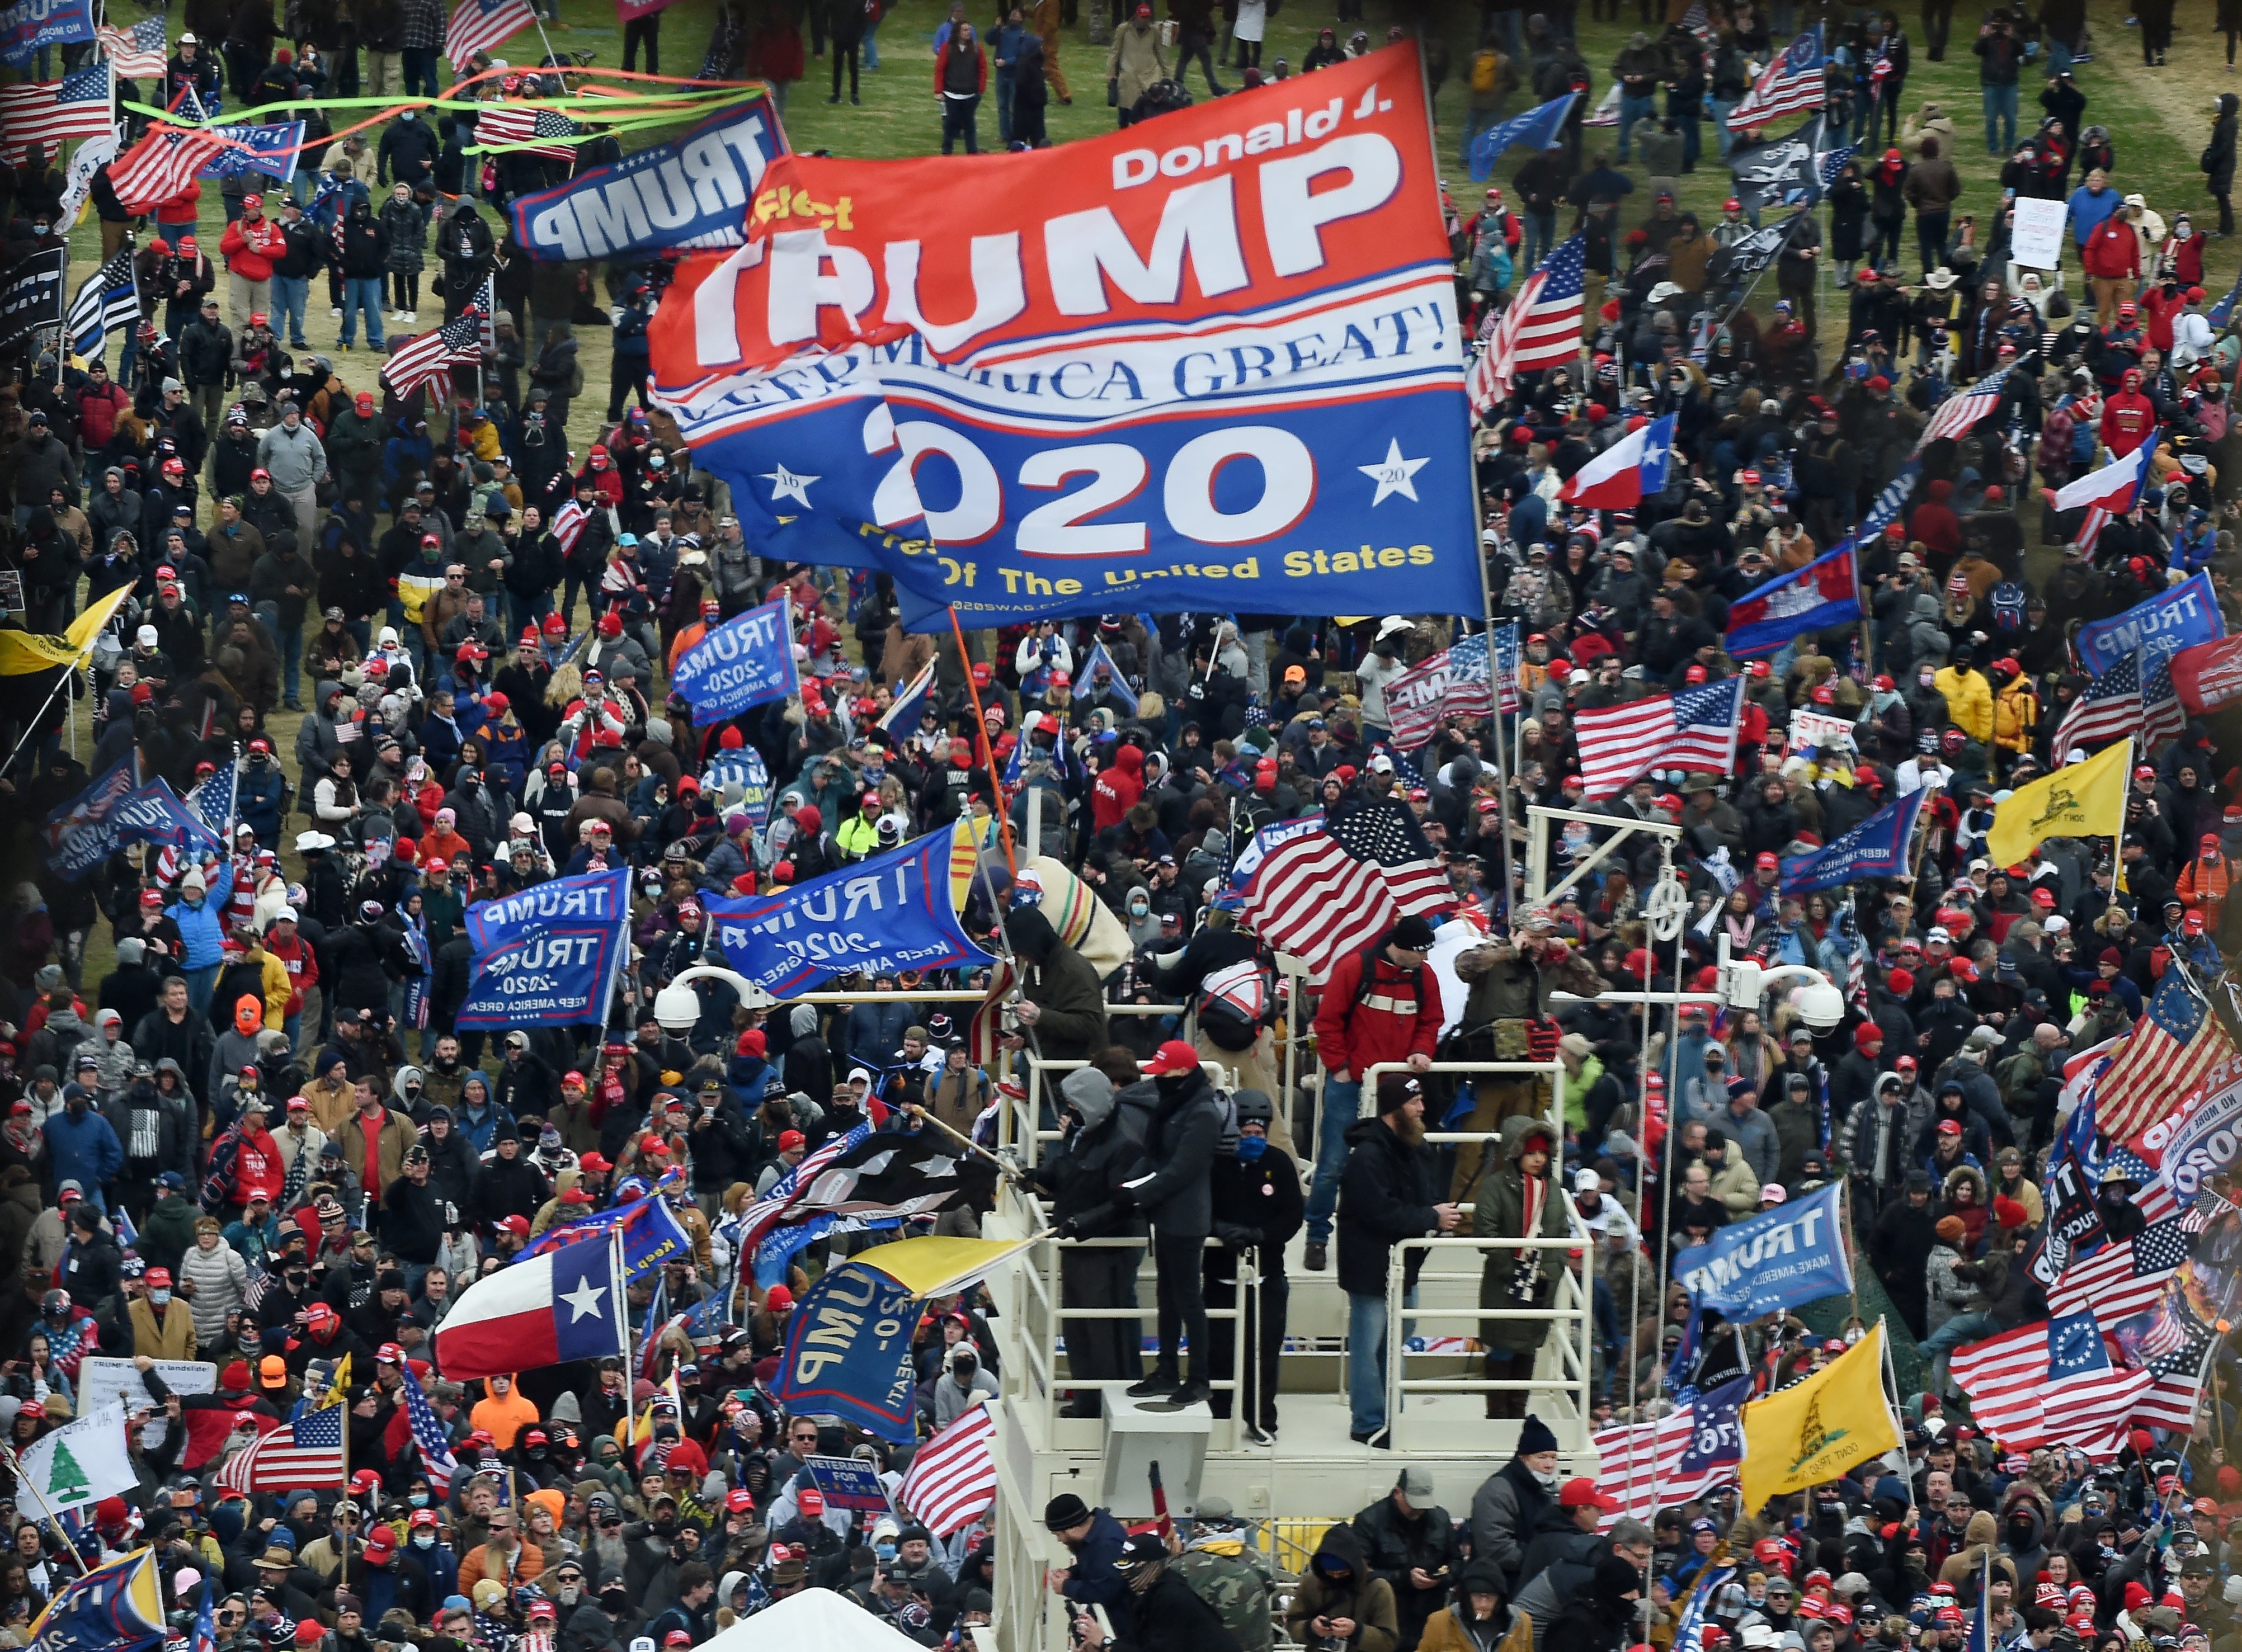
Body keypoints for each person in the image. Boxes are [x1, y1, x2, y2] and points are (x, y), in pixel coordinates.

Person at [1305, 915, 1443, 1272]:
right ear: (1403, 947)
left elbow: (1431, 1021)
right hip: (1352, 1085)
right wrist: (1339, 1066)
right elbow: (1327, 1024)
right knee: (1333, 1164)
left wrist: (1423, 1050)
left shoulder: (1423, 977)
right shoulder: (1355, 969)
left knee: (1405, 1162)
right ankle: (1317, 1237)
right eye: (1421, 953)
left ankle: (1399, 1232)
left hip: (1397, 1089)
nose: (1425, 960)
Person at [1336, 1072, 1459, 1447]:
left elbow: (1419, 1199)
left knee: (1398, 1339)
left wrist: (1434, 1214)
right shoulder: (1368, 1157)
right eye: (1415, 1102)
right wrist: (1431, 1218)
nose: (1423, 1108)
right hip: (1371, 1268)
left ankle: (1393, 1416)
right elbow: (1381, 1212)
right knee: (1369, 1346)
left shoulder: (1414, 1148)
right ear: (1394, 1110)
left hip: (1403, 1266)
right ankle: (1369, 1423)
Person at [1351, 1467, 1463, 1652]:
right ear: (1397, 1493)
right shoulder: (1369, 1522)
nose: (1419, 1510)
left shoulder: (1440, 1519)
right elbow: (1360, 1573)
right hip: (1386, 1618)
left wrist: (1440, 1578)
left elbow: (1456, 1562)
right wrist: (1405, 1578)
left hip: (1430, 1617)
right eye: (1413, 1504)